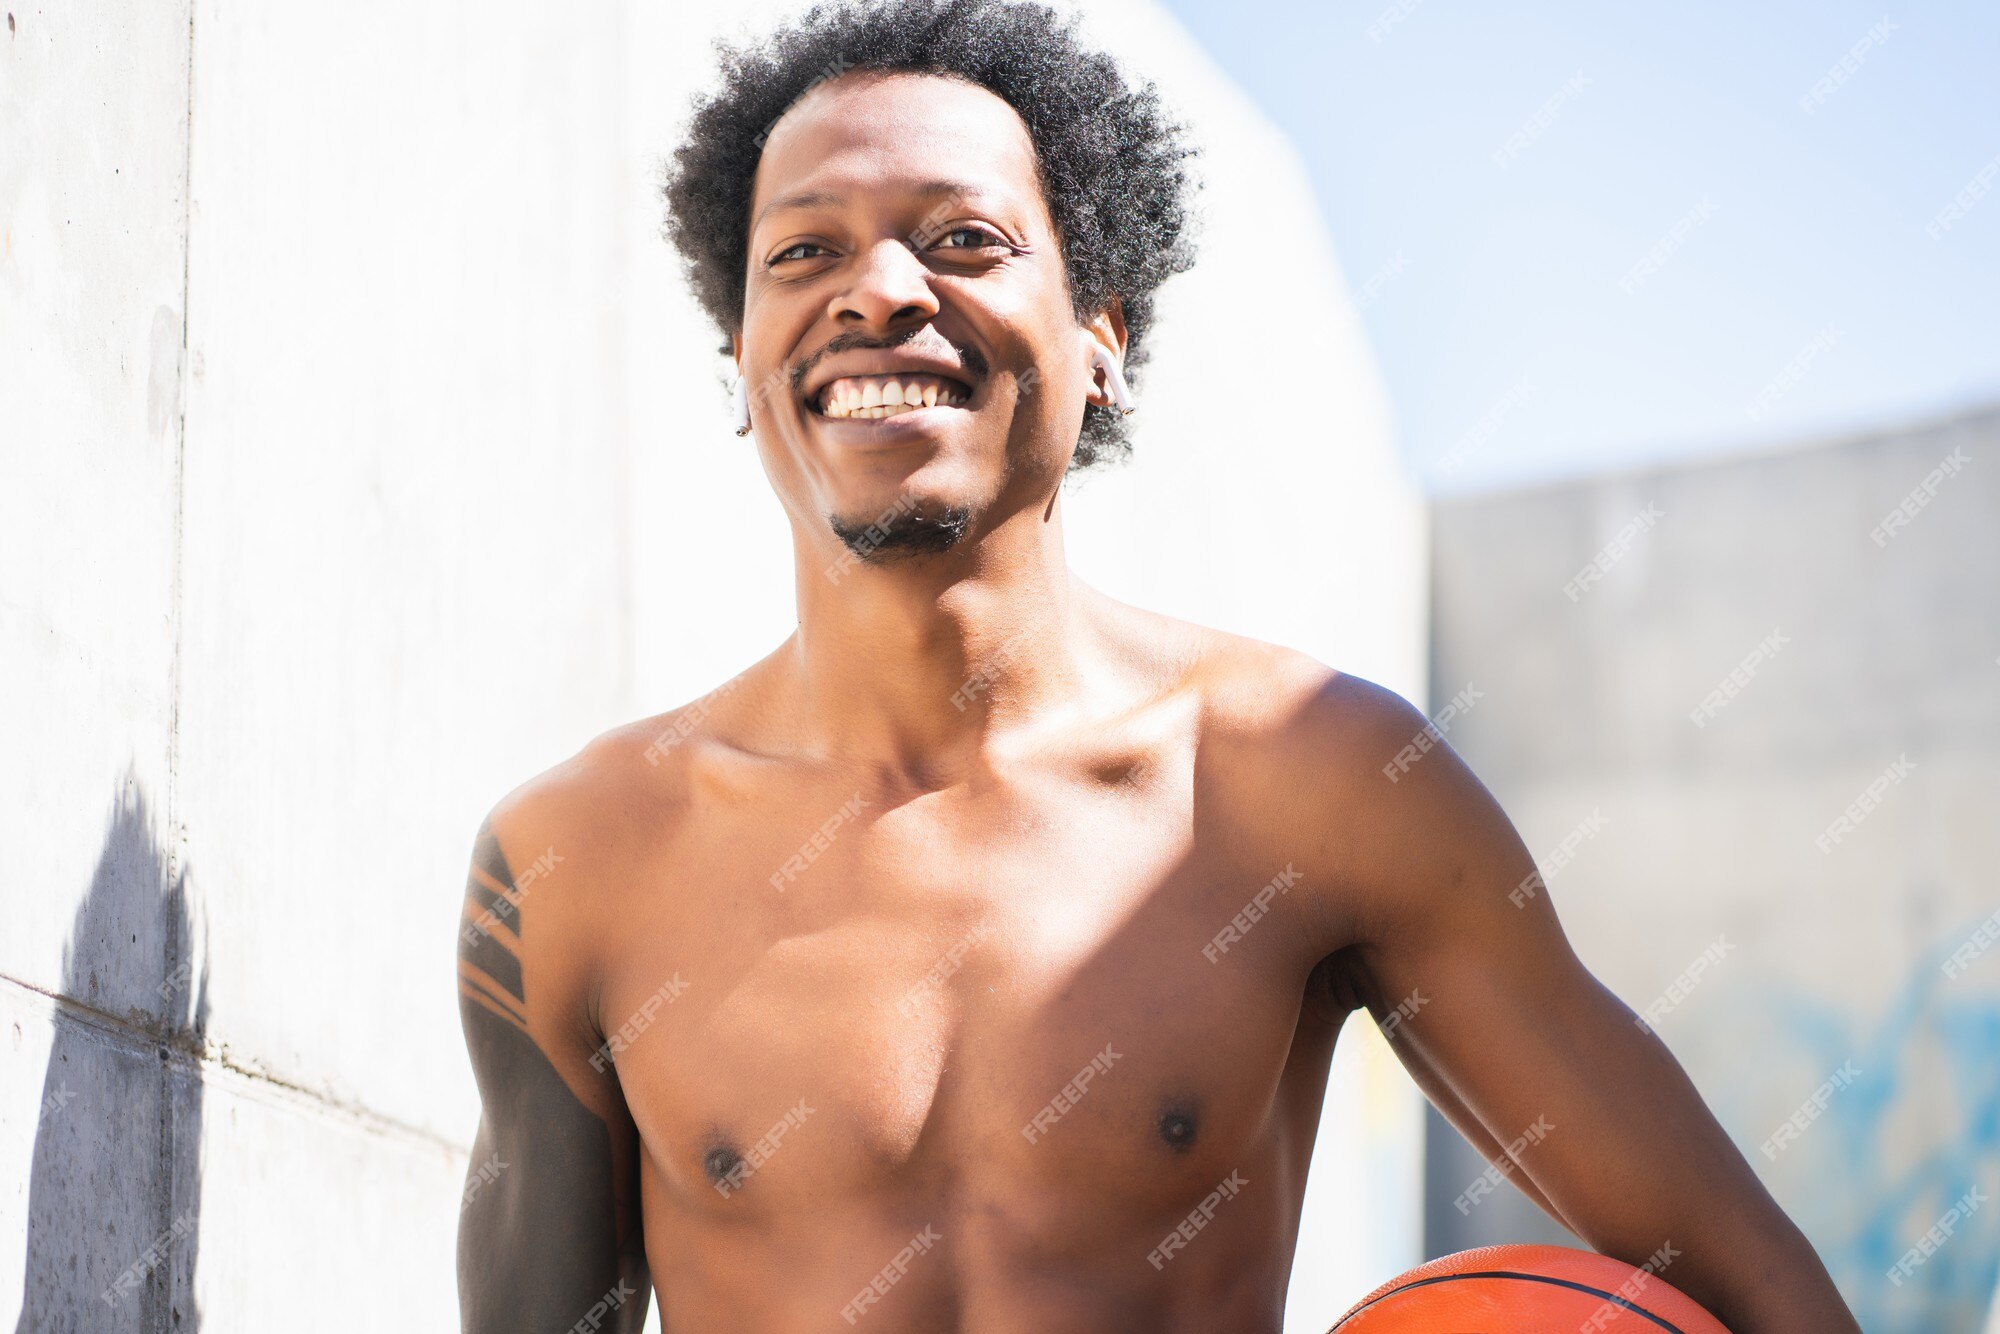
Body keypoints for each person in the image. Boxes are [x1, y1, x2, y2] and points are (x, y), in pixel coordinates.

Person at [454, 1, 1861, 1328]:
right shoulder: (576, 862)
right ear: (745, 350)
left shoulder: (1313, 781)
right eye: (802, 252)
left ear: (1101, 338)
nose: (880, 289)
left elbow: (1752, 1283)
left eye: (962, 238)